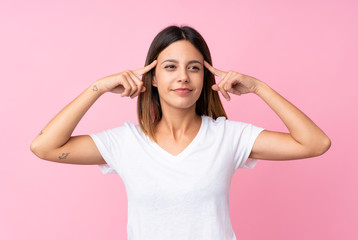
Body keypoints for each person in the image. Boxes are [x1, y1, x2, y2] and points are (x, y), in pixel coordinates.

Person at [30, 25, 331, 240]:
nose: (183, 77)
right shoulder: (126, 143)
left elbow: (316, 143)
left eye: (194, 68)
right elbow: (44, 147)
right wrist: (98, 87)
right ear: (154, 77)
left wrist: (259, 88)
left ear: (205, 76)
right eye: (171, 67)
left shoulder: (228, 137)